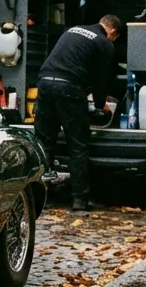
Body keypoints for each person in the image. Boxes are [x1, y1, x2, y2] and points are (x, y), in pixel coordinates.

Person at [33, 14, 123, 212]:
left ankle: (36, 196)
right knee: (77, 145)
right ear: (113, 32)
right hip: (69, 89)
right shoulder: (103, 43)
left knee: (44, 143)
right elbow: (101, 78)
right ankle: (80, 200)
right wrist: (100, 105)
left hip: (45, 83)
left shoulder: (73, 29)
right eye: (114, 39)